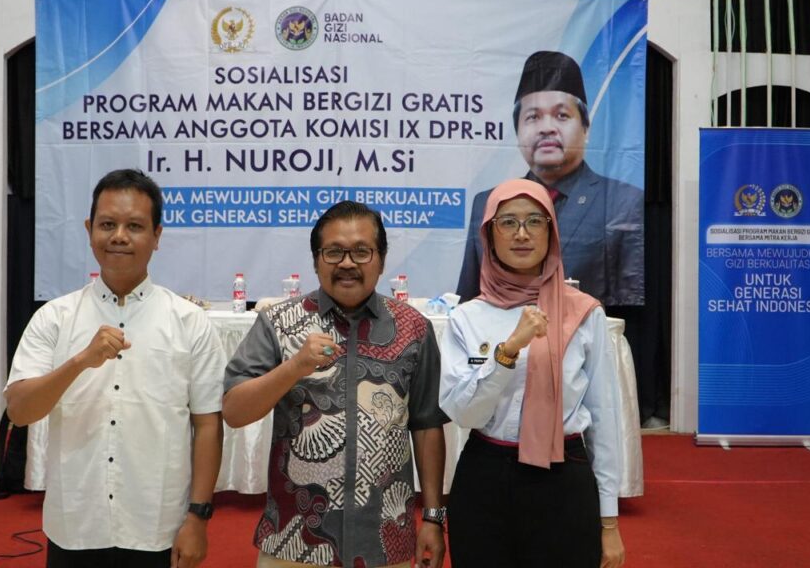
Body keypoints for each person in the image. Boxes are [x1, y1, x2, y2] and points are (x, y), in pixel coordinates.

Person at [5, 168, 225, 568]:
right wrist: (79, 362)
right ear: (89, 230)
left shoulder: (189, 322)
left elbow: (207, 424)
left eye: (135, 226)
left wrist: (198, 517)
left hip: (158, 523)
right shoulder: (55, 318)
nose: (119, 236)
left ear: (157, 236)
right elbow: (20, 411)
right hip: (75, 522)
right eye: (107, 224)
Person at [222, 201, 448, 568]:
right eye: (333, 252)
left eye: (361, 251)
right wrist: (294, 367)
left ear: (382, 259)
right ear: (316, 261)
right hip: (295, 543)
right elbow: (234, 411)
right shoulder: (278, 323)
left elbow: (427, 426)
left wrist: (434, 518)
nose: (347, 263)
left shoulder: (414, 329)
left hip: (385, 542)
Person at [440, 178, 625, 567]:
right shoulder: (466, 318)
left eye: (535, 221)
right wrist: (508, 351)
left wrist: (609, 523)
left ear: (551, 233)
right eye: (508, 222)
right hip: (485, 476)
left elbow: (605, 420)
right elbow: (465, 414)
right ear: (489, 235)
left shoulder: (584, 312)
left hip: (564, 477)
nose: (521, 234)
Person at [458, 50, 644, 306]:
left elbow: (628, 301)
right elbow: (470, 297)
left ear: (586, 129)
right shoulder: (487, 203)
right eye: (533, 117)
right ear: (518, 132)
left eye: (562, 115)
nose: (546, 128)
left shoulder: (622, 201)